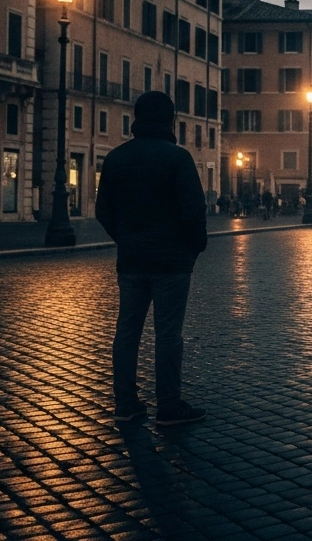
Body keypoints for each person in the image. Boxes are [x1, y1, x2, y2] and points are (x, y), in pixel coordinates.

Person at [96, 91, 207, 427]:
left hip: (131, 260)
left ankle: (126, 403)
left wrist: (127, 239)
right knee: (168, 334)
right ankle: (169, 405)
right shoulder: (178, 158)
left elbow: (104, 211)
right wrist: (192, 249)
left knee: (127, 332)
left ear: (136, 118)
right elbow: (194, 211)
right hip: (171, 262)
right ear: (171, 120)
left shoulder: (115, 158)